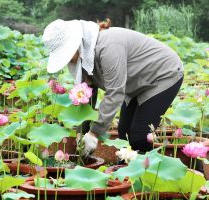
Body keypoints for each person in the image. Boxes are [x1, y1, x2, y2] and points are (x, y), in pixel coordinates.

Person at [42, 19, 184, 156]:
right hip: (136, 82)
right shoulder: (85, 55)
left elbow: (115, 92)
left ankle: (146, 174)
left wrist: (94, 133)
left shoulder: (108, 47)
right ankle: (127, 171)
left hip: (163, 74)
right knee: (124, 133)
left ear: (74, 44)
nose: (68, 59)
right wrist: (82, 131)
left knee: (139, 136)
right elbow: (87, 94)